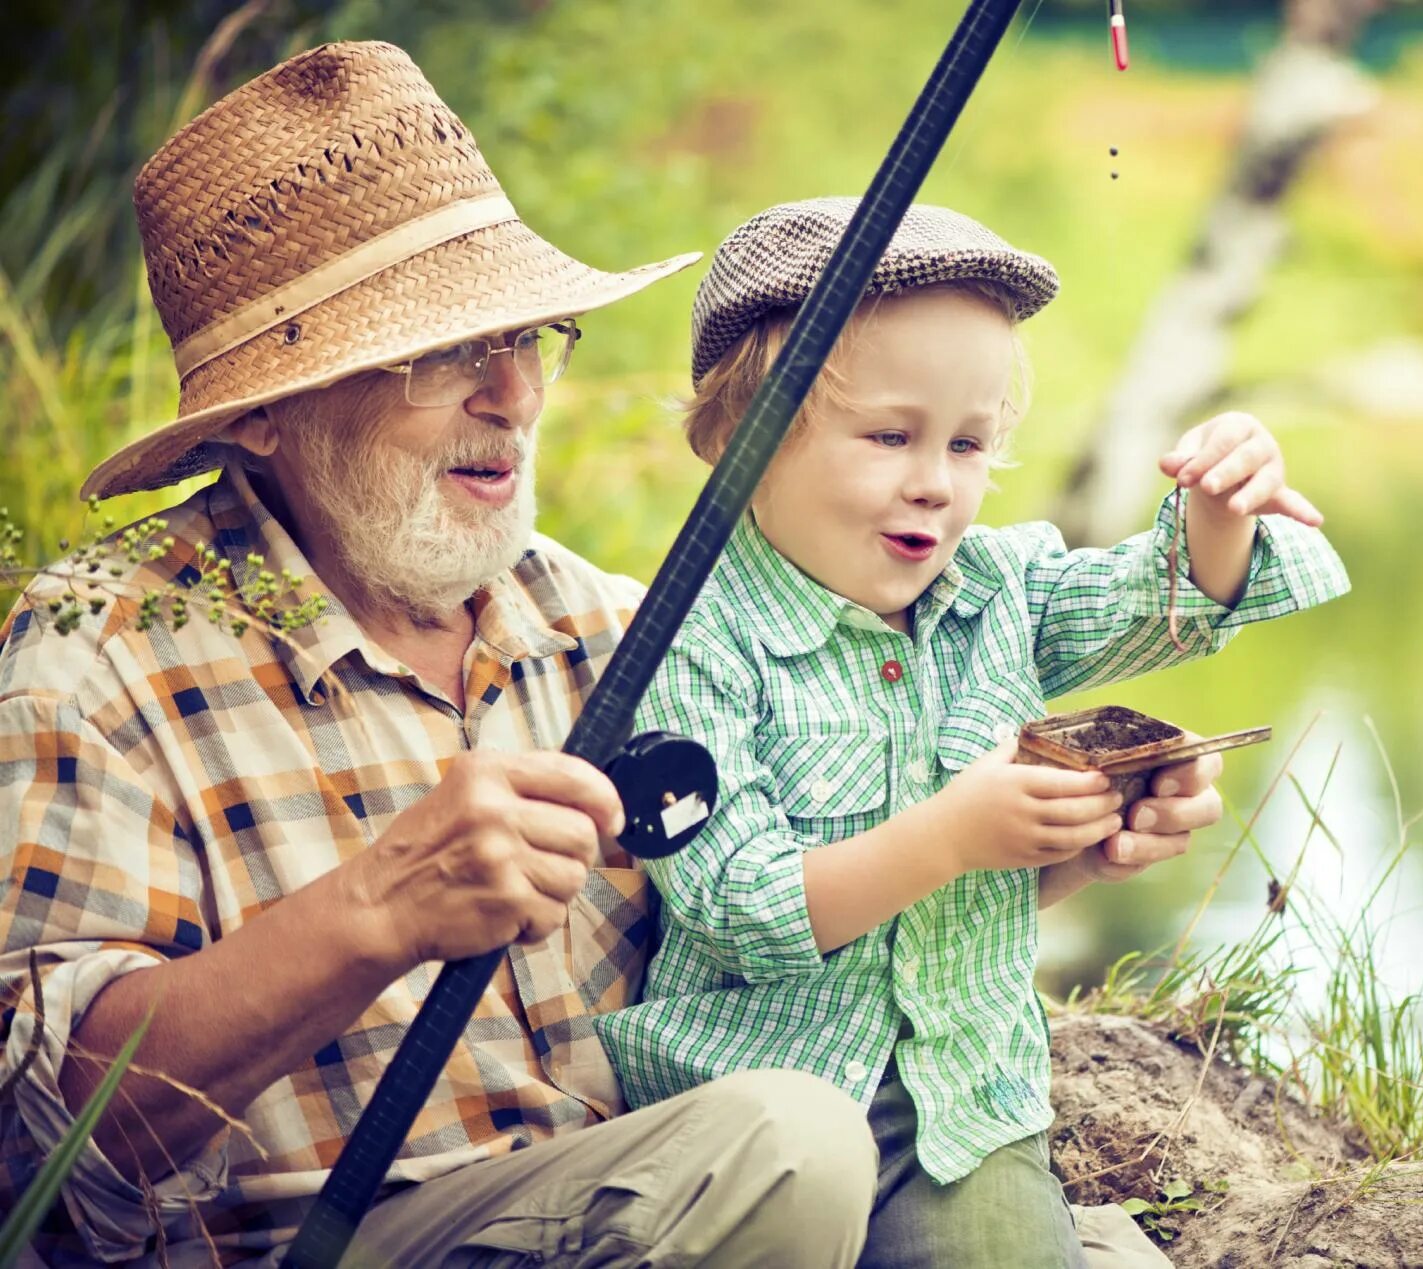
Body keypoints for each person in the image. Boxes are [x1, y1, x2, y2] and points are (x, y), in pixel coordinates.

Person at [0, 44, 1238, 1269]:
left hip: (640, 1201)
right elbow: (47, 1141)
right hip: (322, 1239)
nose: (513, 394)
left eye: (530, 337)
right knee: (794, 1142)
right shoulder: (100, 654)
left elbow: (775, 944)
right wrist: (376, 912)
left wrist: (1048, 854)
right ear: (263, 412)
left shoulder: (619, 625)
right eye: (440, 355)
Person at [595, 198, 1352, 1268]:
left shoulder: (996, 589)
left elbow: (1160, 598)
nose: (935, 482)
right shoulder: (689, 637)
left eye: (969, 442)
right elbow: (736, 909)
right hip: (752, 1109)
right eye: (890, 436)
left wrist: (1221, 508)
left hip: (961, 1102)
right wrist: (951, 836)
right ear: (741, 440)